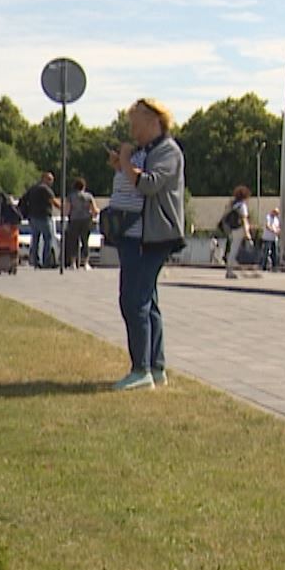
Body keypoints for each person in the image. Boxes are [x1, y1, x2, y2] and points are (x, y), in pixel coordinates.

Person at [109, 98, 185, 390]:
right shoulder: (148, 150)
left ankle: (141, 370)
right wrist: (124, 164)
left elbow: (150, 184)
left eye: (136, 124)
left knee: (134, 300)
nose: (133, 130)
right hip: (140, 235)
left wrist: (126, 163)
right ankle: (155, 366)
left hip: (152, 236)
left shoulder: (168, 151)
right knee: (147, 300)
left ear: (154, 121)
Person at [19, 171, 59, 269]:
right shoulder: (46, 189)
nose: (51, 182)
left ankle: (36, 262)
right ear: (44, 179)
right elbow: (54, 202)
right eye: (49, 179)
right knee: (48, 239)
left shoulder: (33, 188)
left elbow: (24, 199)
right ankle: (46, 261)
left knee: (35, 239)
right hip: (44, 217)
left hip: (32, 217)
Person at [220, 185, 253, 279]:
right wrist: (248, 235)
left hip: (232, 229)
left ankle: (231, 267)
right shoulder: (242, 206)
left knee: (233, 248)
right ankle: (229, 270)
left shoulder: (233, 204)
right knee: (234, 249)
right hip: (239, 229)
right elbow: (244, 220)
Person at [64, 177, 96, 269]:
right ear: (84, 186)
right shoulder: (89, 196)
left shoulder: (70, 196)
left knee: (73, 241)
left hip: (74, 220)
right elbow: (94, 210)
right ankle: (86, 263)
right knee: (85, 241)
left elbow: (67, 210)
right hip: (86, 220)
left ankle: (73, 263)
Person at [261, 206, 282, 271]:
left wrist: (278, 231)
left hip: (274, 238)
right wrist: (273, 230)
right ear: (273, 212)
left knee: (275, 253)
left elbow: (278, 227)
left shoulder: (276, 219)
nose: (276, 214)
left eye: (277, 213)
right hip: (267, 238)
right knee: (266, 252)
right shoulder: (268, 217)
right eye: (275, 213)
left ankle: (274, 266)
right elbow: (267, 226)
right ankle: (263, 266)